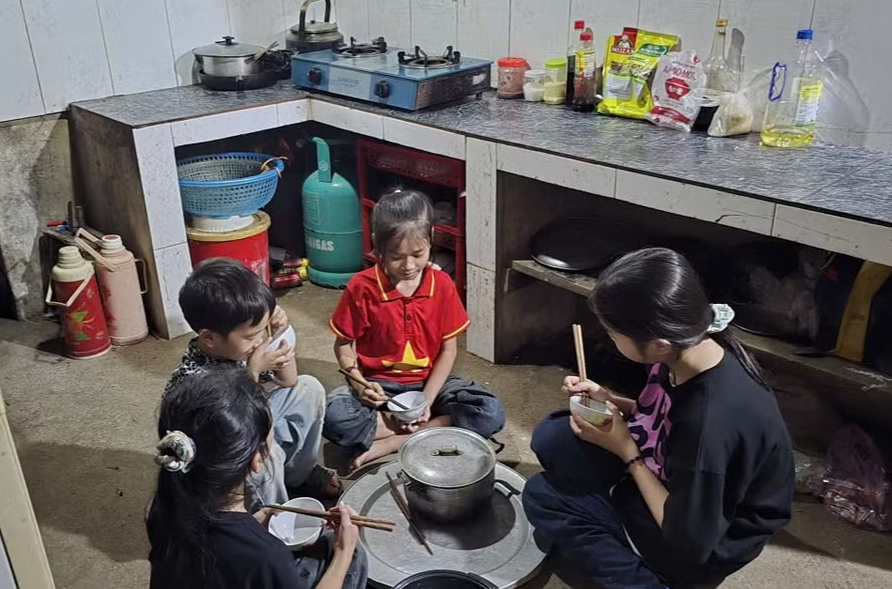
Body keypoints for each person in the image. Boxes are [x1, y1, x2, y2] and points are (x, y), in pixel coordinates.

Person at [522, 248, 794, 589]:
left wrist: (627, 452)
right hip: (680, 474)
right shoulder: (689, 344)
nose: (610, 339)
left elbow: (690, 538)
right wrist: (611, 401)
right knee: (555, 439)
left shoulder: (708, 425)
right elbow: (664, 410)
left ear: (659, 344)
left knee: (543, 495)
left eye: (613, 334)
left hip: (702, 543)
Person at [323, 189, 505, 470]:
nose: (409, 266)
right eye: (396, 257)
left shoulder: (441, 285)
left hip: (429, 383)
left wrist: (426, 401)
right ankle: (430, 430)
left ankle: (394, 441)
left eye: (418, 254)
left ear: (431, 238)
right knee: (334, 418)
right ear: (378, 245)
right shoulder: (362, 287)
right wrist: (360, 385)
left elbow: (448, 350)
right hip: (379, 387)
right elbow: (344, 345)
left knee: (489, 412)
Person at [148, 366, 367, 589]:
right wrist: (344, 551)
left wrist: (254, 522)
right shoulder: (266, 556)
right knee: (352, 558)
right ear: (257, 460)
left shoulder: (163, 505)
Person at [166, 258, 338, 508]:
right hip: (223, 458)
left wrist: (279, 334)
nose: (259, 342)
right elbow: (247, 434)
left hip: (254, 424)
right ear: (209, 338)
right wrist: (254, 371)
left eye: (263, 330)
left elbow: (288, 380)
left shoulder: (235, 349)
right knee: (266, 457)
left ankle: (298, 476)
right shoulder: (195, 379)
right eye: (251, 336)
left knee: (308, 388)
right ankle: (273, 518)